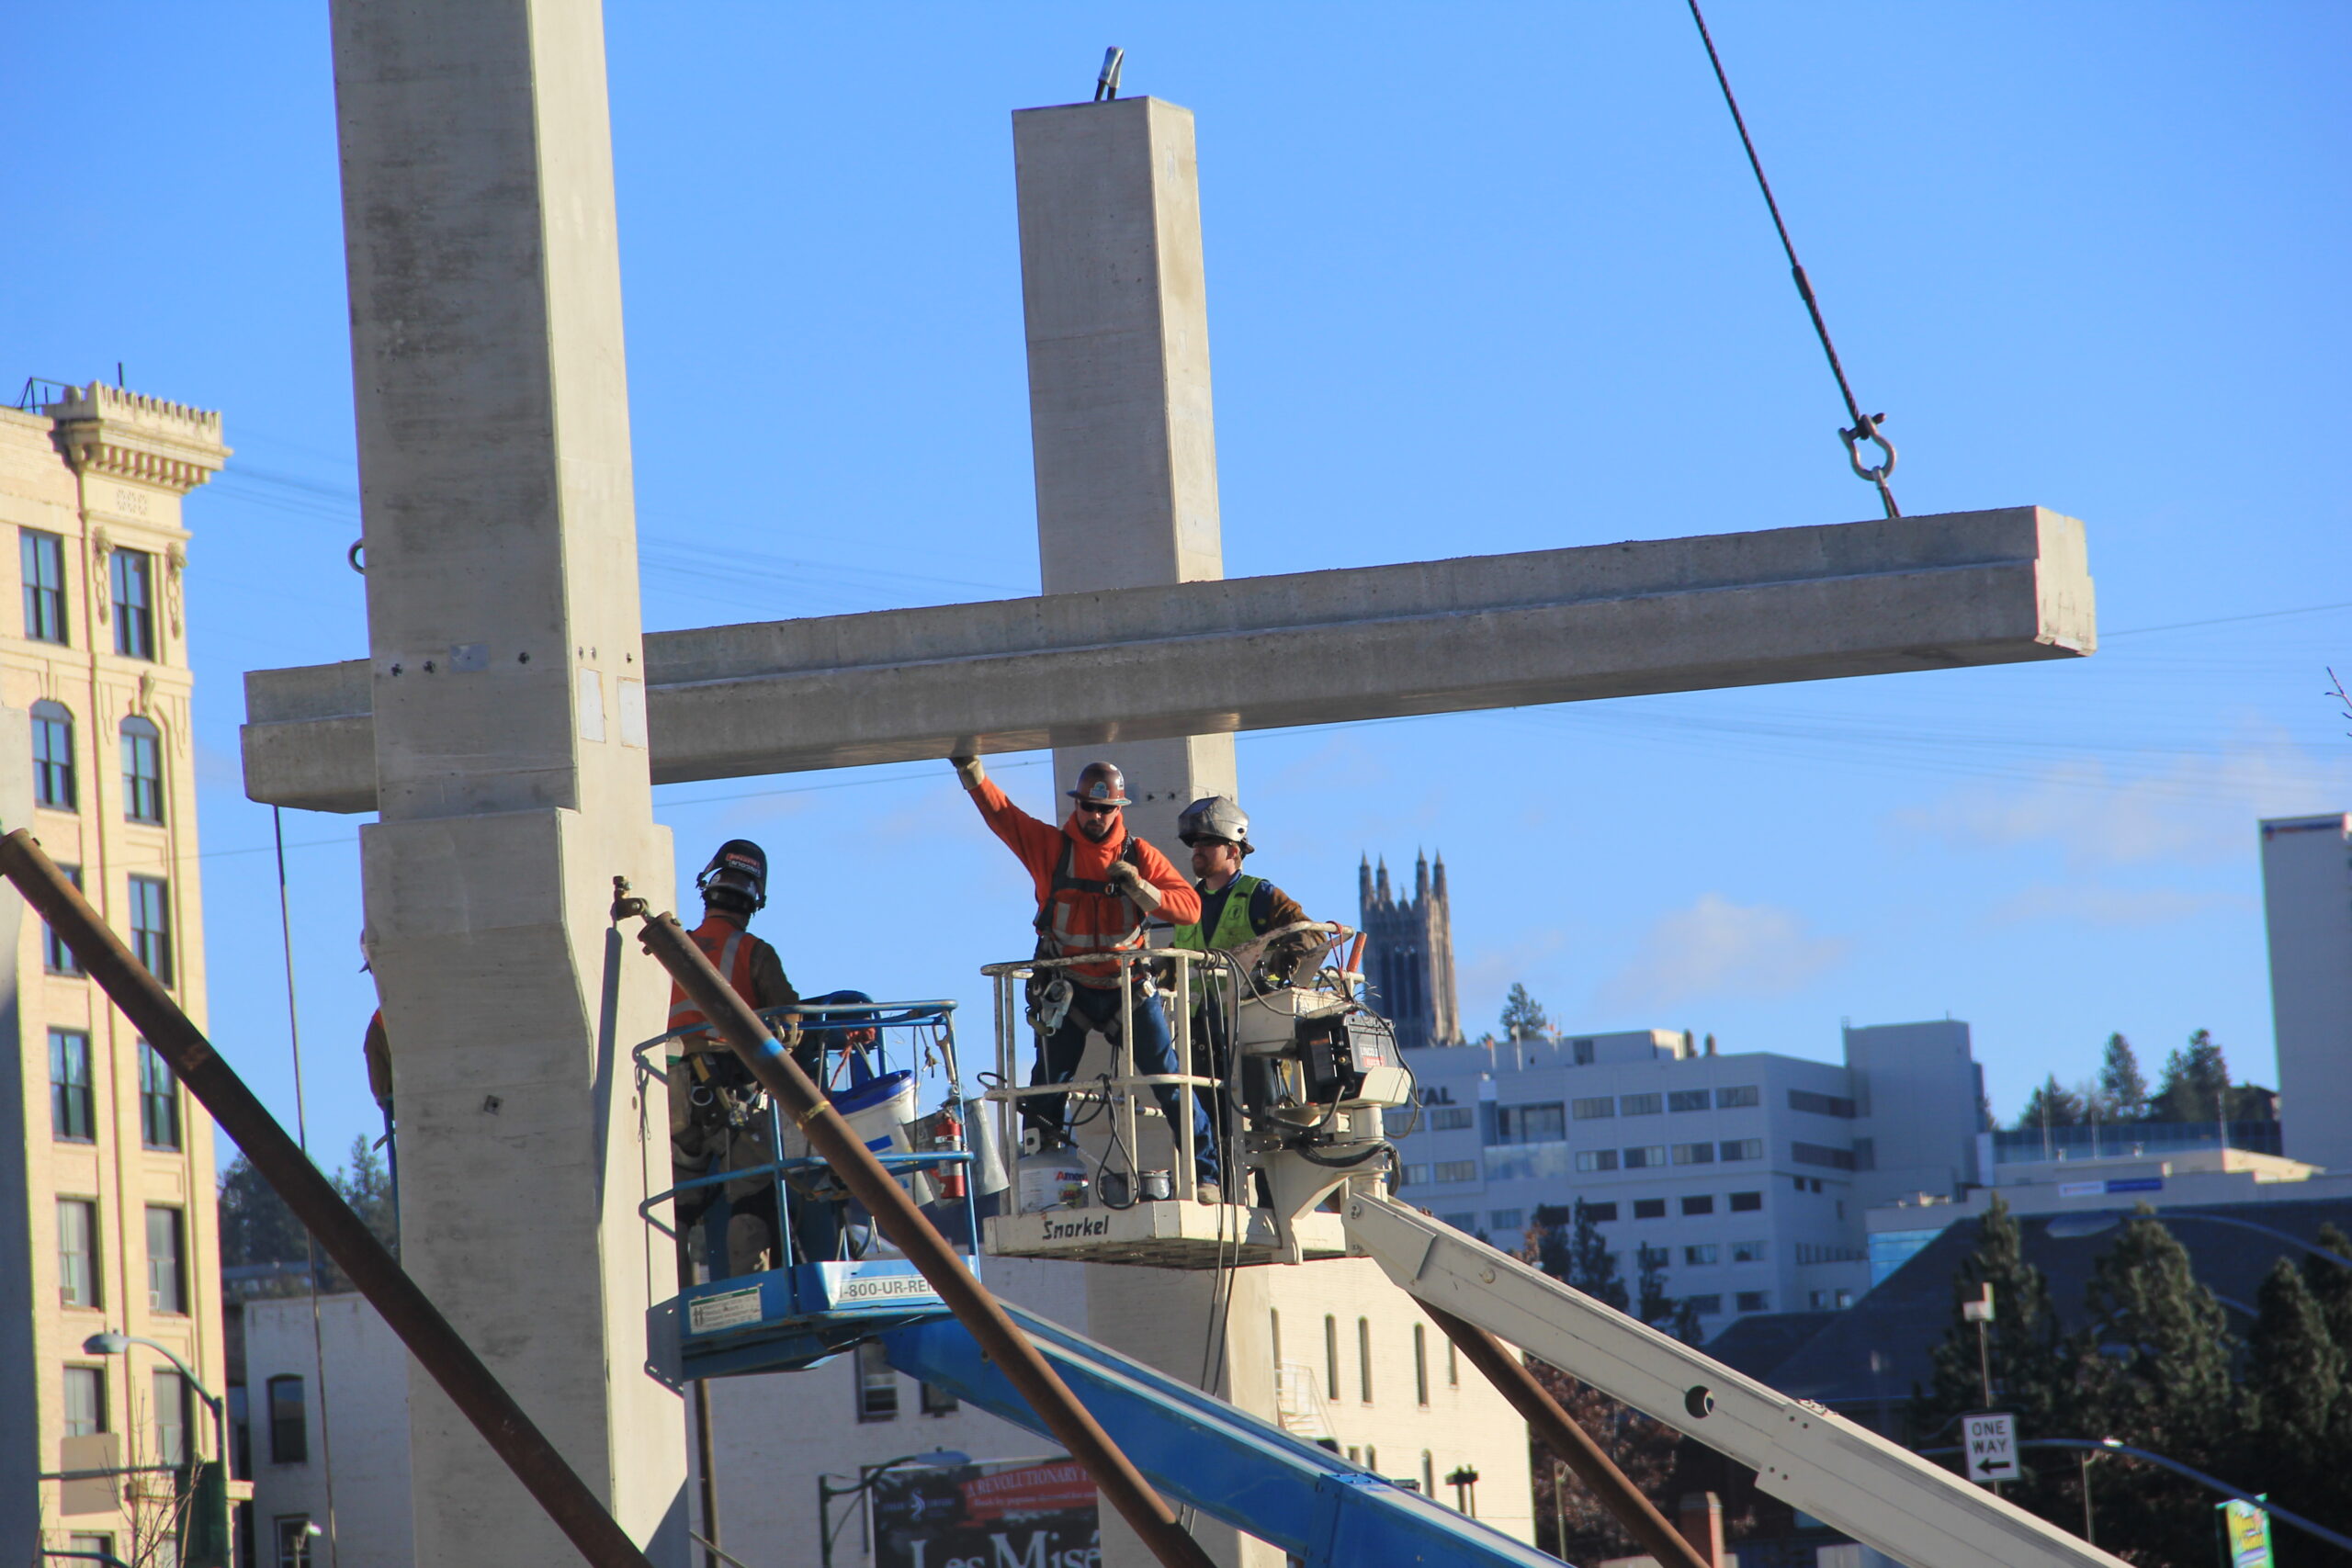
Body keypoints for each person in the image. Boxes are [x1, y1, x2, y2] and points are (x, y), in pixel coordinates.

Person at [950, 752, 1220, 1201]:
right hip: (1068, 992)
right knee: (1048, 1088)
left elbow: (1189, 908)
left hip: (1128, 989)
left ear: (1119, 809)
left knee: (1170, 1082)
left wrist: (1141, 887)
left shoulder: (1141, 855)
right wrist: (972, 773)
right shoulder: (1052, 849)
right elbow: (1003, 817)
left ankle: (1206, 1175)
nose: (1095, 816)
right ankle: (1040, 1180)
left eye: (1105, 809)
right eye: (1088, 808)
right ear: (1077, 806)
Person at [667, 840, 800, 1280]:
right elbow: (788, 1023)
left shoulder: (672, 948)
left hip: (671, 1095)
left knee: (677, 1202)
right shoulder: (754, 952)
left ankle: (669, 1300)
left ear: (708, 890)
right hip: (732, 1088)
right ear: (754, 900)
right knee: (750, 1193)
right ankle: (751, 1293)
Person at [1168, 795, 1317, 1177]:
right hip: (1199, 1032)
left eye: (1206, 843)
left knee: (1268, 1126)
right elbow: (1176, 960)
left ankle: (1272, 1196)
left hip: (1248, 1032)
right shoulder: (1188, 903)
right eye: (1194, 844)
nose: (1196, 850)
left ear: (1232, 850)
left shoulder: (1258, 894)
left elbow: (1308, 934)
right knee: (1209, 1127)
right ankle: (1219, 1193)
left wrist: (1281, 956)